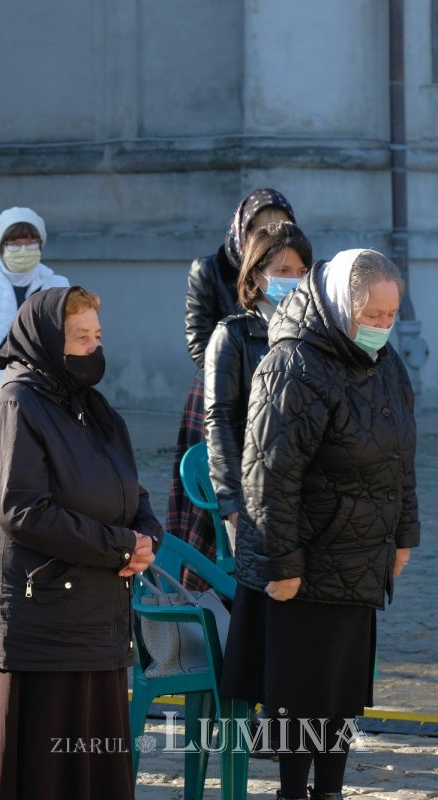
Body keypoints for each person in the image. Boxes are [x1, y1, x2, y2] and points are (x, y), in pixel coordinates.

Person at [222, 249, 418, 800]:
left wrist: (404, 534)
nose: (382, 326)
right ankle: (291, 791)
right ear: (338, 305)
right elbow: (268, 474)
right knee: (300, 697)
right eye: (371, 314)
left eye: (390, 315)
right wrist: (280, 565)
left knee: (341, 693)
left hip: (360, 557)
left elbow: (402, 457)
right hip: (304, 566)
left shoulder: (386, 364)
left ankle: (330, 790)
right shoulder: (293, 364)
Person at [0, 286, 160, 800]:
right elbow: (25, 511)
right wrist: (120, 547)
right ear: (47, 343)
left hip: (96, 621)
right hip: (38, 628)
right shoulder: (15, 407)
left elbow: (130, 491)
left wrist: (146, 538)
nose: (93, 348)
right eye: (80, 338)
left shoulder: (93, 410)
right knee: (43, 773)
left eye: (97, 336)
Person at [170, 188, 296, 582]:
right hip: (217, 388)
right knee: (212, 488)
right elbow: (198, 340)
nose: (269, 236)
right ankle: (203, 577)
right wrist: (234, 368)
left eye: (280, 227)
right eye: (261, 228)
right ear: (244, 229)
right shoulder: (209, 269)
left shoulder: (292, 269)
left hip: (275, 390)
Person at [203, 221, 311, 556]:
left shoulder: (316, 334)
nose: (294, 280)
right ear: (255, 275)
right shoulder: (232, 335)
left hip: (309, 493)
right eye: (283, 271)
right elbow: (219, 422)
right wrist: (232, 502)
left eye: (302, 271)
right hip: (253, 496)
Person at [0, 206, 70, 423]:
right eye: (14, 243)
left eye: (30, 242)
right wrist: (8, 385)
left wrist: (42, 385)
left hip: (47, 400)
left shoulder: (58, 285)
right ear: (0, 247)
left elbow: (64, 343)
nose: (23, 249)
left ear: (41, 244)